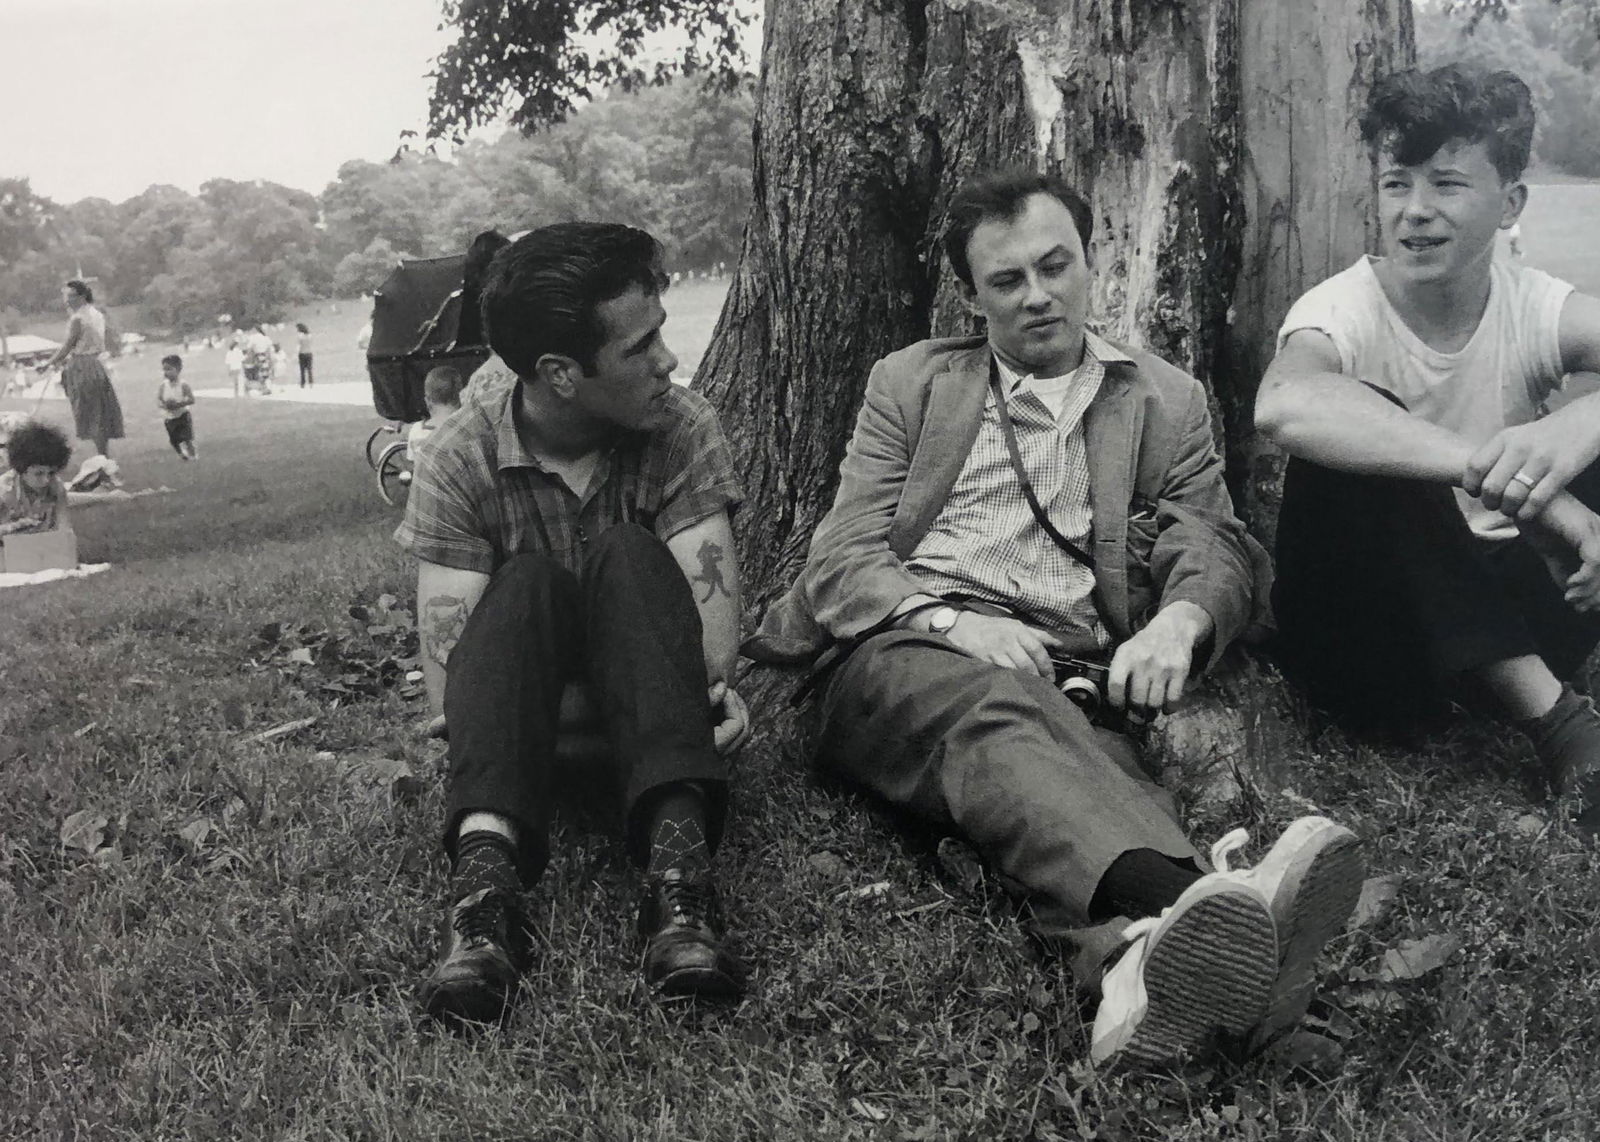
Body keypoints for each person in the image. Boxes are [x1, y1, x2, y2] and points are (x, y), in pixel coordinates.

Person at [746, 170, 1364, 1067]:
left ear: (1088, 262)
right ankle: (1203, 911)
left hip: (1065, 674)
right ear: (972, 294)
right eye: (1007, 281)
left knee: (1092, 788)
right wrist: (957, 625)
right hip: (898, 654)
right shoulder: (911, 384)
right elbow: (840, 558)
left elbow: (1214, 544)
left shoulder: (1166, 399)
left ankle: (1130, 976)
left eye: (1054, 265)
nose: (1037, 295)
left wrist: (1176, 623)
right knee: (1003, 714)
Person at [395, 222, 752, 1024]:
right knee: (522, 584)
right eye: (641, 346)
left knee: (627, 551)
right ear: (560, 372)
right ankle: (484, 904)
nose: (667, 360)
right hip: (577, 752)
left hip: (587, 742)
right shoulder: (461, 456)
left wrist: (520, 715)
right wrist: (646, 703)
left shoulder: (682, 429)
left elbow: (710, 665)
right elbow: (457, 702)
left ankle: (680, 889)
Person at [1255, 64, 1600, 835]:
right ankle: (1559, 724)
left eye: (1446, 184)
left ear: (1509, 202)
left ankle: (1521, 685)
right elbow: (1284, 402)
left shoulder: (1533, 304)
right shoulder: (1341, 308)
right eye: (1395, 183)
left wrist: (1575, 427)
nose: (1414, 212)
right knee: (1363, 434)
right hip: (1376, 650)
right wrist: (1524, 489)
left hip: (1515, 606)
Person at [38, 280, 124, 459]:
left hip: (82, 366)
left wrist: (48, 363)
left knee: (89, 410)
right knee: (99, 410)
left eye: (71, 296)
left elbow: (68, 346)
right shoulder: (97, 314)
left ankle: (102, 457)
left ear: (82, 296)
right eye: (65, 296)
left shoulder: (78, 318)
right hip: (95, 364)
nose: (67, 300)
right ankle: (103, 454)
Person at [0, 420, 72, 538]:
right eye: (39, 474)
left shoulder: (56, 486)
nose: (46, 480)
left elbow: (65, 528)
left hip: (43, 548)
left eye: (51, 473)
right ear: (21, 470)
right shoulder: (4, 489)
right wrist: (13, 527)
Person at [407, 364, 464, 461]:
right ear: (460, 397)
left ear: (427, 400)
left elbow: (412, 462)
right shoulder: (463, 429)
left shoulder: (416, 430)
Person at [156, 354, 197, 461]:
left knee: (187, 438)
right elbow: (159, 400)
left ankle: (193, 456)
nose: (166, 372)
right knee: (174, 440)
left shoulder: (183, 385)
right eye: (164, 369)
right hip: (169, 417)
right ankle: (181, 454)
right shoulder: (163, 386)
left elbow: (192, 399)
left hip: (183, 414)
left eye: (169, 369)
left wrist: (179, 404)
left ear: (178, 369)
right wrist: (165, 405)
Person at [295, 323, 314, 387]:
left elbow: (298, 346)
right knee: (309, 369)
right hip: (309, 353)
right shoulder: (309, 335)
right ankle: (311, 382)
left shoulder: (300, 336)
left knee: (302, 370)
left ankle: (303, 383)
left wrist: (295, 353)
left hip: (302, 353)